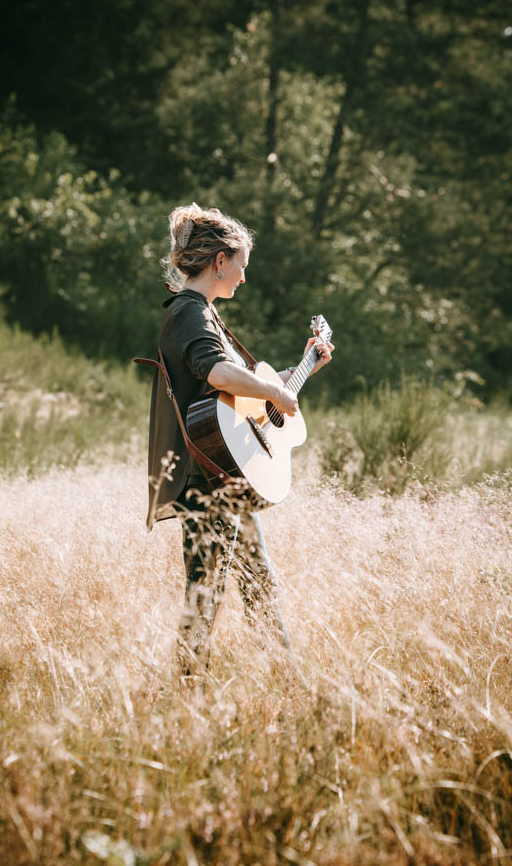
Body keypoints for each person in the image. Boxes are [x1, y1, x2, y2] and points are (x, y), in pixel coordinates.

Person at [146, 202, 333, 679]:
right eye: (242, 266)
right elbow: (216, 372)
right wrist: (272, 389)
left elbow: (237, 395)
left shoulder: (205, 314)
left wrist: (303, 366)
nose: (244, 278)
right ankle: (188, 694)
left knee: (259, 584)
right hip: (204, 480)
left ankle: (285, 679)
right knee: (205, 595)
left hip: (228, 476)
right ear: (220, 261)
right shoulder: (189, 312)